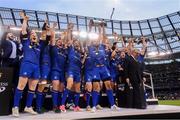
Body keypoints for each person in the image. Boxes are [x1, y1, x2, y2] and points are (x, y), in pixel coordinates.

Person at [12, 12, 43, 117]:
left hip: (36, 67)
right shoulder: (25, 42)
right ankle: (15, 107)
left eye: (35, 34)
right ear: (29, 36)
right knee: (21, 85)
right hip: (27, 65)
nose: (34, 34)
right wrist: (24, 20)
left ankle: (28, 106)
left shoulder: (39, 46)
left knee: (33, 87)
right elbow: (24, 30)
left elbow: (45, 36)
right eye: (32, 33)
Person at [89, 24, 119, 113]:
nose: (97, 41)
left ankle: (112, 105)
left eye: (98, 40)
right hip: (95, 69)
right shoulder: (90, 48)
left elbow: (101, 36)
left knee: (109, 86)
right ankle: (94, 106)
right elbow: (89, 38)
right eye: (95, 40)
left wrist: (100, 29)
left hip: (104, 68)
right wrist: (90, 28)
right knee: (96, 87)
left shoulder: (102, 47)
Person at [60, 23, 84, 112]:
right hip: (70, 70)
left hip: (78, 72)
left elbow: (81, 63)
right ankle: (62, 105)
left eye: (78, 43)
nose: (77, 44)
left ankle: (76, 106)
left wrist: (80, 39)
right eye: (75, 43)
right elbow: (69, 39)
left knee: (77, 89)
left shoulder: (79, 54)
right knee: (69, 85)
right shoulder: (71, 49)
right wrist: (70, 29)